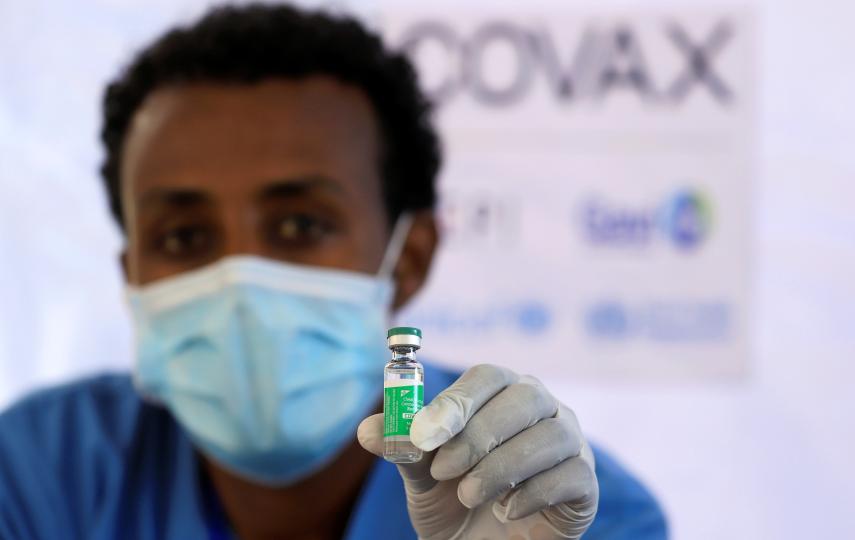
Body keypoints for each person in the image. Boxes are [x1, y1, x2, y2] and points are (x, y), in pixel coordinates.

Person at [0, 4, 666, 539]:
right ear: (133, 274)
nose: (241, 280)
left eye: (299, 226)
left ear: (407, 258)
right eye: (183, 236)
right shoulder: (36, 475)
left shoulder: (560, 515)